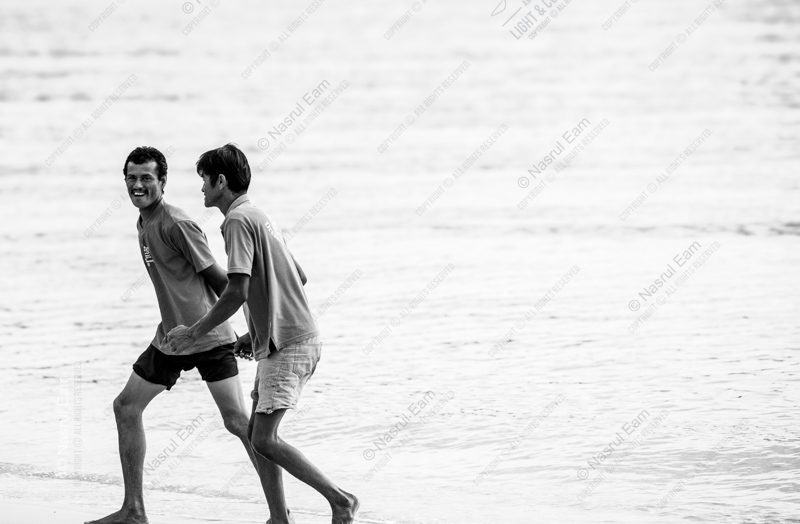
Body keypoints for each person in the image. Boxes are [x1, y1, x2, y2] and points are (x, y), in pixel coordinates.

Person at [165, 144, 359, 524]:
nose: (201, 189)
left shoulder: (236, 221)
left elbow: (236, 290)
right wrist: (254, 335)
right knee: (257, 433)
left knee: (264, 439)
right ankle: (277, 518)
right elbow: (297, 276)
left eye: (204, 180)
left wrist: (193, 333)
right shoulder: (259, 215)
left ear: (221, 181)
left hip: (289, 345)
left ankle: (340, 500)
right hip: (288, 339)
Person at [87, 146, 263, 524]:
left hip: (208, 335)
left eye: (146, 178)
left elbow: (225, 282)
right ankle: (134, 510)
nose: (138, 185)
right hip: (171, 338)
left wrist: (254, 330)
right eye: (132, 178)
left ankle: (281, 512)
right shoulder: (144, 222)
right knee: (126, 408)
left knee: (239, 425)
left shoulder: (177, 223)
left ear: (162, 182)